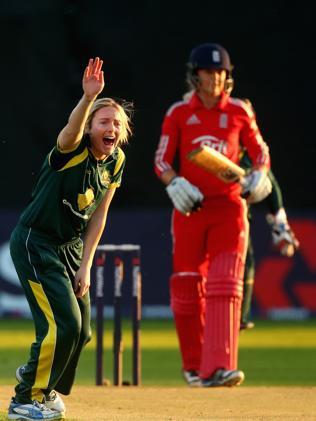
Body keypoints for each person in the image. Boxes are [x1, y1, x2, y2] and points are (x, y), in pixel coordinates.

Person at [7, 57, 133, 420]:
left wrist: (86, 265)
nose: (111, 128)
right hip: (36, 242)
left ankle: (39, 386)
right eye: (104, 121)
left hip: (71, 248)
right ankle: (24, 399)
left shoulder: (117, 160)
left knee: (82, 333)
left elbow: (100, 215)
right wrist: (88, 98)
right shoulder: (73, 150)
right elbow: (68, 132)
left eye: (117, 124)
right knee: (63, 326)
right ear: (91, 127)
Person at [154, 42, 272, 387]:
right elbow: (161, 159)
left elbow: (260, 152)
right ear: (196, 76)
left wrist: (260, 175)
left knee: (224, 283)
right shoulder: (178, 112)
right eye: (209, 72)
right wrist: (174, 182)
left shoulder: (239, 111)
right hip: (190, 207)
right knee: (188, 285)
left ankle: (219, 366)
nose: (216, 78)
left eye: (221, 72)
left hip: (229, 207)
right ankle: (194, 368)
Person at [239, 150, 299, 330]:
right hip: (201, 212)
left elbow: (268, 180)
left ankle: (239, 318)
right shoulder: (210, 139)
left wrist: (280, 223)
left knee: (244, 262)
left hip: (235, 215)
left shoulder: (248, 150)